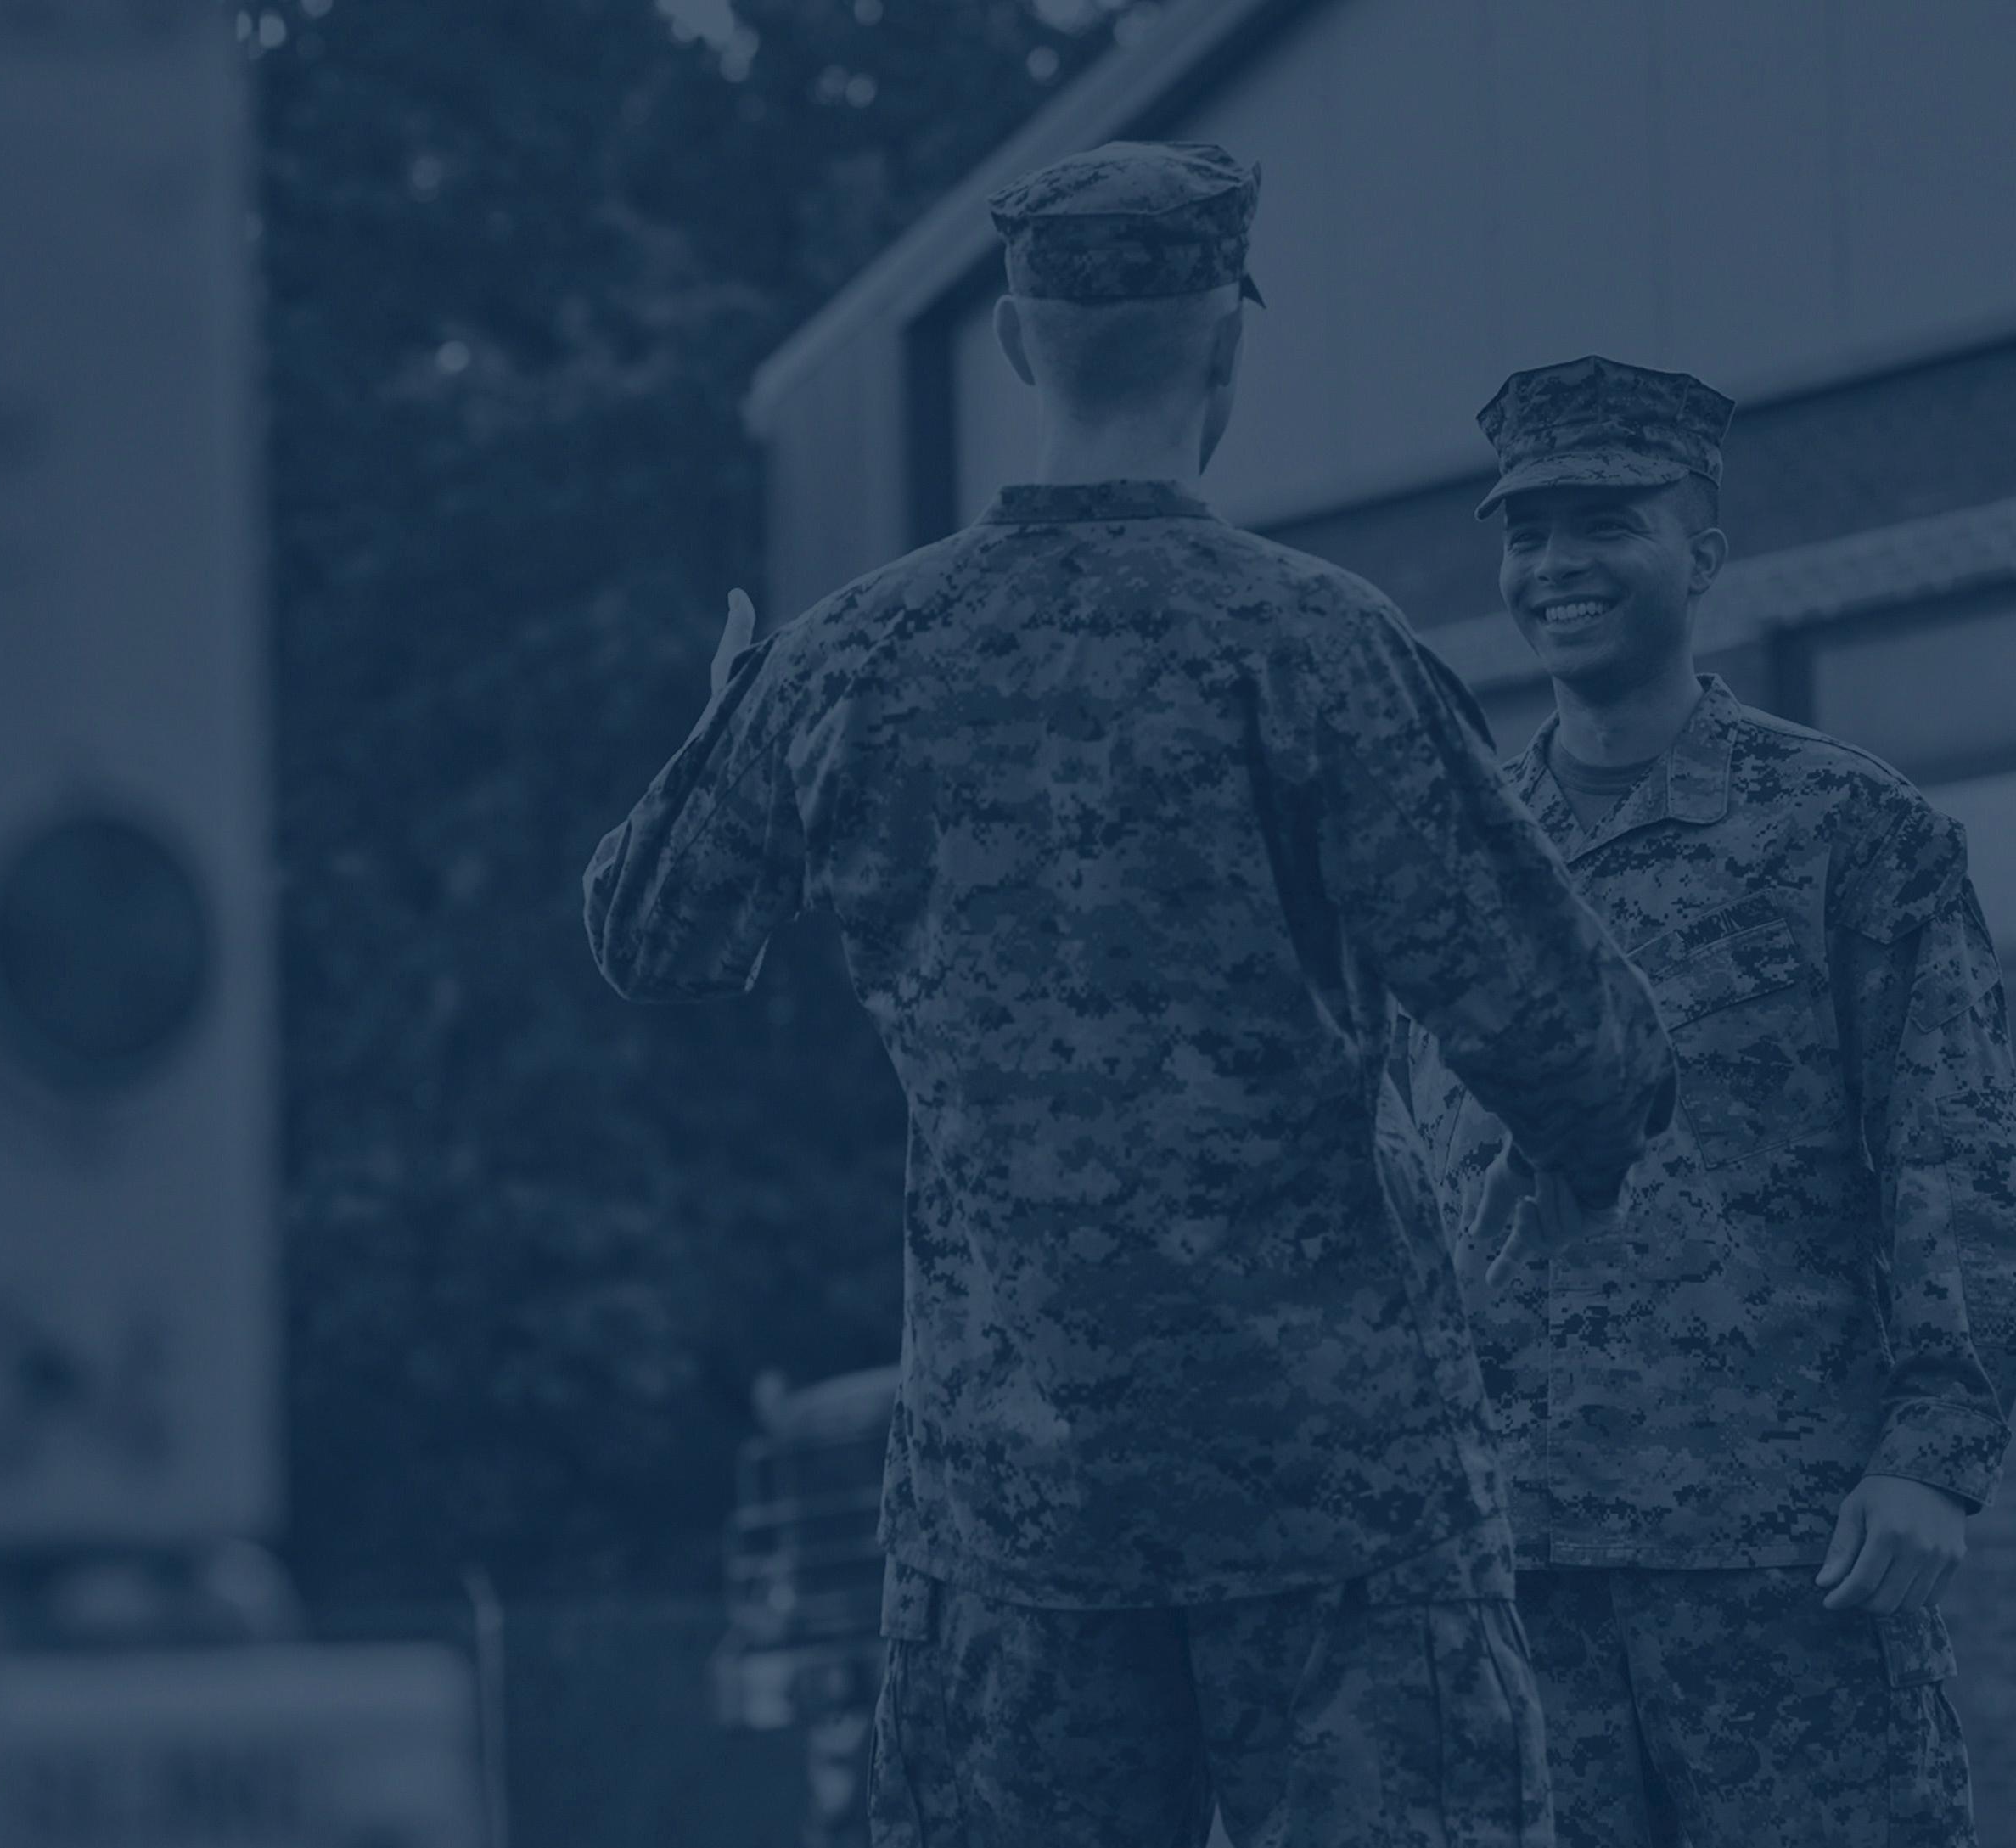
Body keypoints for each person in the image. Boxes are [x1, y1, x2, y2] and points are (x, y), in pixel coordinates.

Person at [586, 147, 1676, 1846]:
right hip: (1340, 1494)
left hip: (1010, 1512)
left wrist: (733, 713)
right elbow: (1585, 1057)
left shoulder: (852, 658)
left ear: (1018, 344)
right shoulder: (1319, 645)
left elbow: (650, 931)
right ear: (1226, 345)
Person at [1400, 355, 2016, 1847]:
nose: (1556, 565)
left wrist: (1934, 1457)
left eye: (1605, 523)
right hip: (1515, 1561)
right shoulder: (1460, 855)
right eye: (1527, 532)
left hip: (1788, 1552)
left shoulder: (1851, 830)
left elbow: (1956, 1156)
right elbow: (1407, 1182)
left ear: (1703, 550)